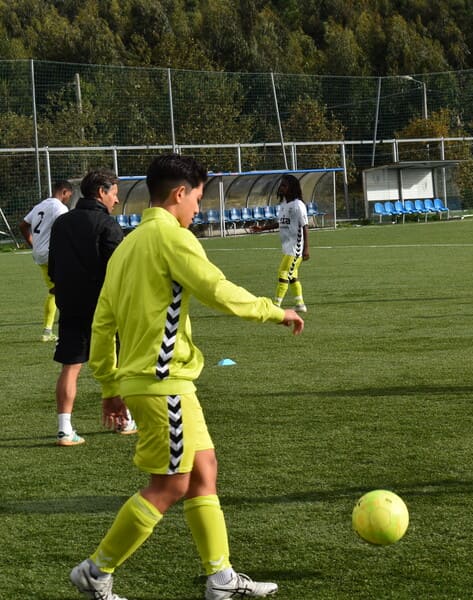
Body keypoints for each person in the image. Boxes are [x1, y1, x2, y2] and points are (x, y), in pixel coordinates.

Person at [71, 154, 304, 600]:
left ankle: (220, 580)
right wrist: (275, 311)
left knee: (204, 469)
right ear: (179, 194)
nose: (199, 208)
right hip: (164, 384)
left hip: (154, 383)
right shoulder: (171, 237)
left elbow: (102, 322)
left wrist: (109, 386)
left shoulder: (128, 245)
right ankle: (96, 571)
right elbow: (215, 289)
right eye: (197, 198)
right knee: (171, 484)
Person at [48, 168, 134, 446]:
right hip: (104, 306)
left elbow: (54, 266)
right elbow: (119, 270)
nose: (116, 201)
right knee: (120, 362)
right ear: (102, 192)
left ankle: (64, 429)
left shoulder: (62, 223)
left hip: (70, 304)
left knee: (70, 367)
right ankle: (124, 420)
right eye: (114, 194)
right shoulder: (108, 225)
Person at [19, 180, 73, 342]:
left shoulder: (39, 206)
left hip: (40, 255)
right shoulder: (60, 208)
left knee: (54, 290)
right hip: (54, 255)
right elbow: (66, 229)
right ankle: (68, 329)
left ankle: (47, 331)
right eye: (69, 196)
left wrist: (33, 244)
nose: (68, 199)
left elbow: (23, 225)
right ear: (64, 192)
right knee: (69, 290)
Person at [251, 174, 310, 312]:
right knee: (293, 276)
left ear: (292, 188)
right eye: (281, 185)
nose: (281, 188)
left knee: (283, 272)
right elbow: (281, 223)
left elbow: (305, 226)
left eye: (284, 185)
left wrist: (306, 249)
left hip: (296, 248)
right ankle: (300, 305)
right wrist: (262, 228)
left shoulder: (298, 205)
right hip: (287, 247)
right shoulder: (284, 205)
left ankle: (276, 305)